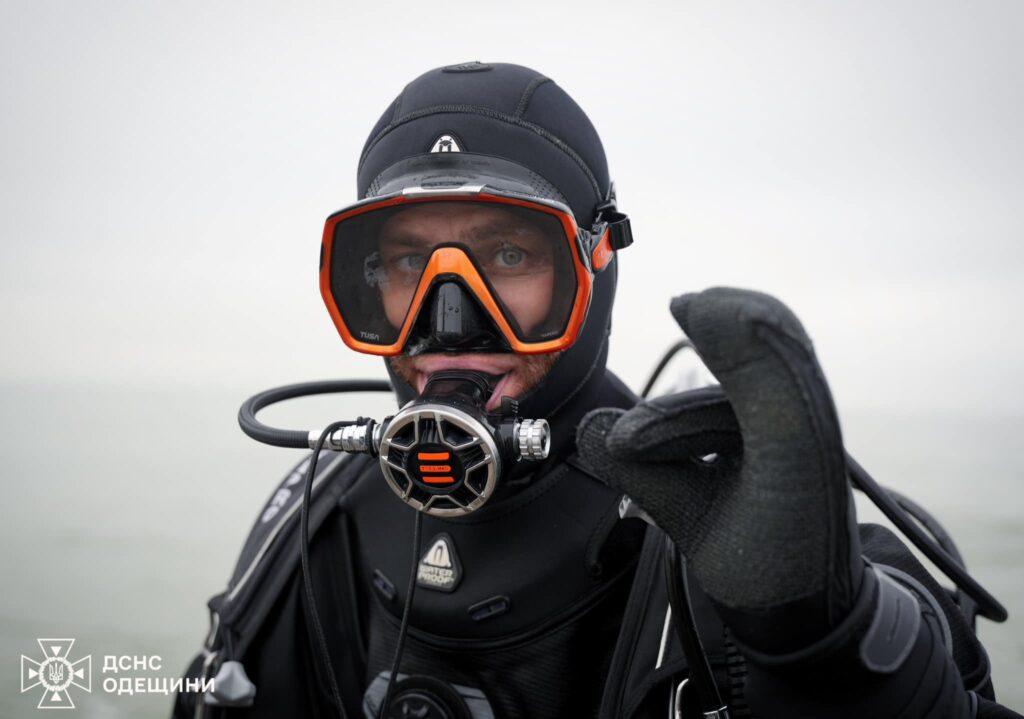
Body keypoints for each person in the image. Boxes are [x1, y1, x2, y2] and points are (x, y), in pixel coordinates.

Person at [173, 62, 1020, 719]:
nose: (453, 320)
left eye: (508, 256)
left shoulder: (717, 522)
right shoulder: (318, 510)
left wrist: (828, 641)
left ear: (594, 266)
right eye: (407, 263)